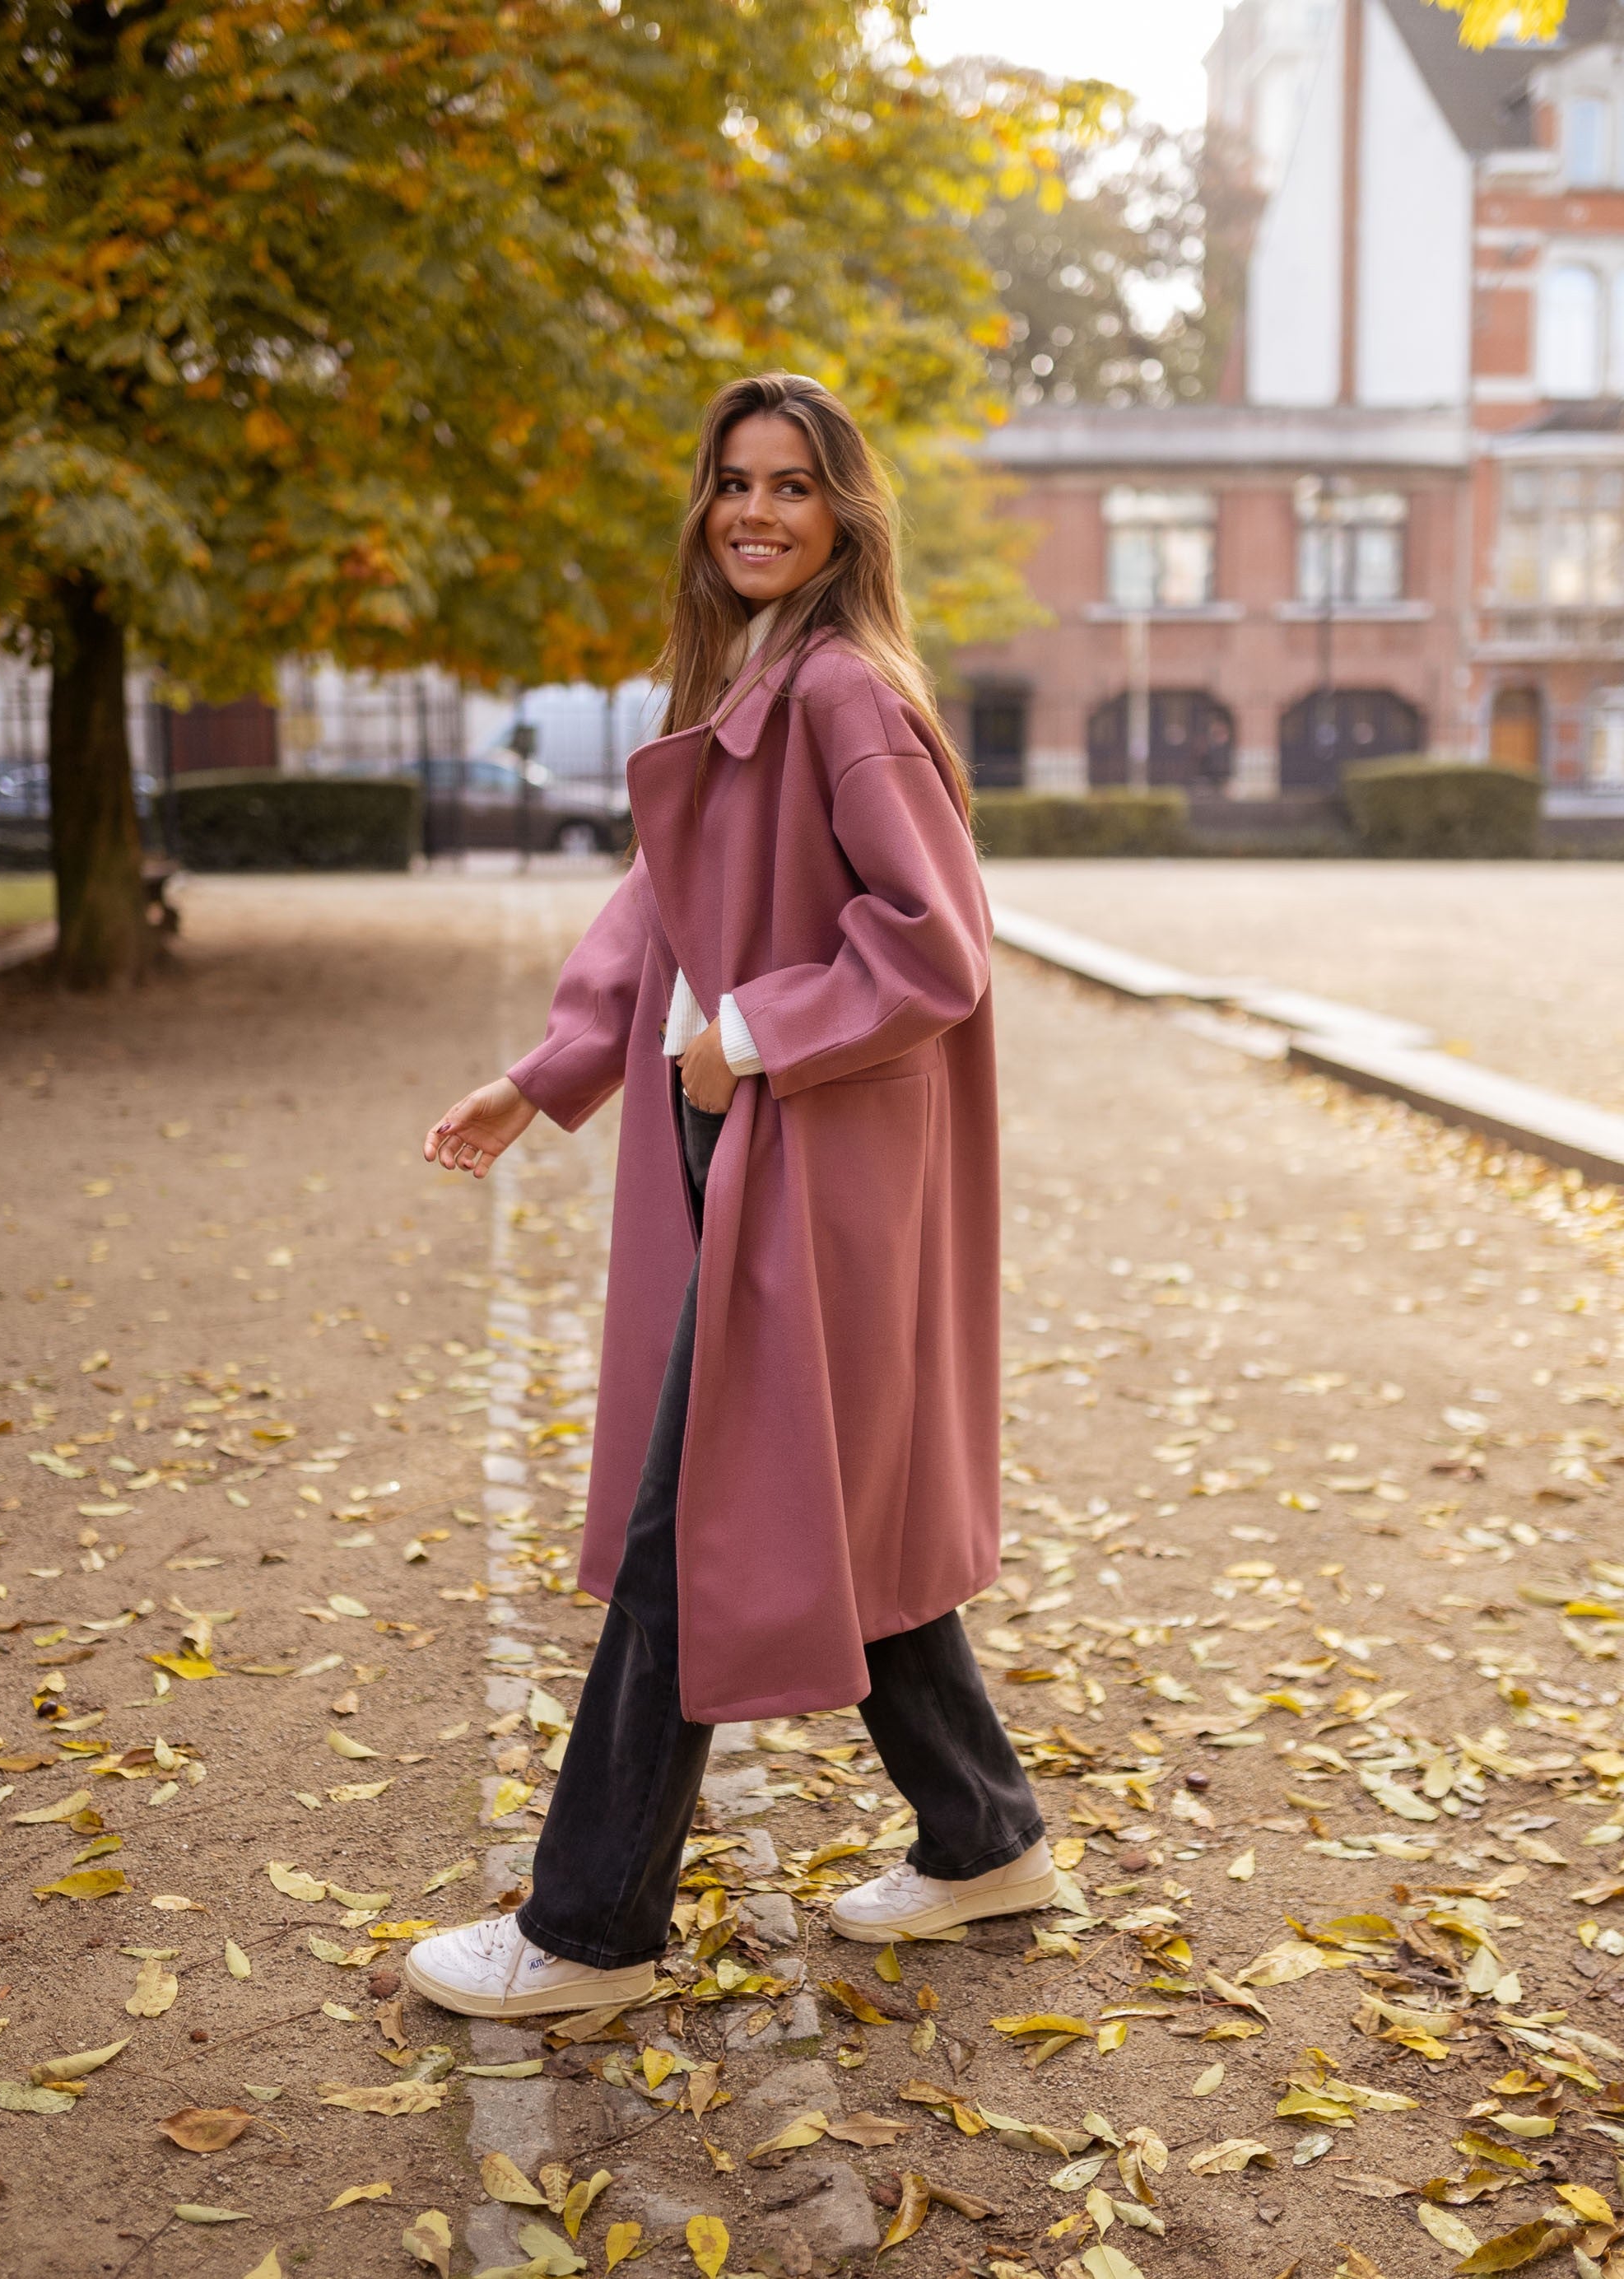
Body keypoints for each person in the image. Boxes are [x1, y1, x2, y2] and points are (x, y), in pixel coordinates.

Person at [406, 372, 1054, 2022]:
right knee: (809, 1496)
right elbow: (661, 900)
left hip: (815, 1157)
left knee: (690, 1520)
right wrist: (554, 1070)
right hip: (752, 1141)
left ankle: (589, 1929)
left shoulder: (845, 693)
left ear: (844, 514)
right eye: (732, 484)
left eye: (791, 486)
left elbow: (935, 943)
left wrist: (749, 1037)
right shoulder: (761, 676)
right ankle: (983, 1838)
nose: (755, 512)